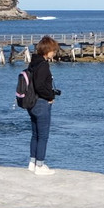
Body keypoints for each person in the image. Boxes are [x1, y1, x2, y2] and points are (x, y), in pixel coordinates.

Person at [25, 35, 60, 176]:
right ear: (48, 51)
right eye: (53, 50)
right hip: (41, 103)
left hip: (31, 103)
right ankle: (40, 165)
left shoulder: (32, 63)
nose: (55, 53)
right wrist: (50, 96)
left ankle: (32, 163)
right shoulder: (44, 65)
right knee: (43, 136)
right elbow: (40, 86)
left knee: (35, 134)